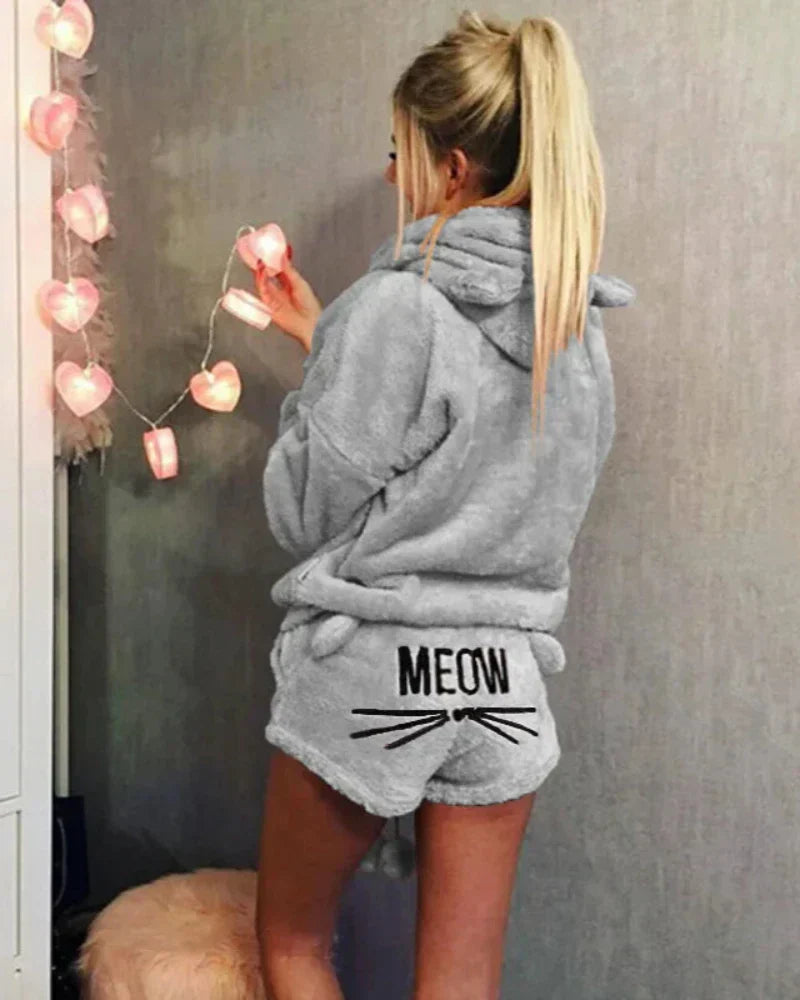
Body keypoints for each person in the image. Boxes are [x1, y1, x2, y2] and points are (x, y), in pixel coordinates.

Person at [253, 11, 635, 1000]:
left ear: (454, 168)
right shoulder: (574, 325)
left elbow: (300, 508)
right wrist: (325, 336)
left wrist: (328, 369)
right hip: (503, 684)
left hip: (375, 669)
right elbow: (471, 460)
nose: (392, 176)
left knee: (294, 944)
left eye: (401, 152)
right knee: (462, 983)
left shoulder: (396, 307)